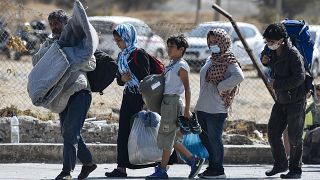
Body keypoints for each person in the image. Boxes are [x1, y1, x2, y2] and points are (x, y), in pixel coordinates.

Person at [32, 9, 97, 180]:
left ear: (66, 23)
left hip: (79, 91)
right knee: (68, 132)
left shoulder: (77, 39)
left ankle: (67, 172)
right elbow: (36, 62)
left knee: (70, 132)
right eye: (52, 24)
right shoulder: (50, 42)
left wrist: (68, 56)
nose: (54, 27)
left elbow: (91, 63)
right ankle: (89, 164)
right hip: (61, 95)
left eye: (57, 23)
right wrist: (54, 50)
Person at [146, 34, 205, 179]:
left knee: (167, 136)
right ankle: (193, 160)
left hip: (173, 102)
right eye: (168, 46)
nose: (168, 49)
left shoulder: (181, 65)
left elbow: (187, 88)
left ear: (181, 49)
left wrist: (186, 110)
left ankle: (162, 170)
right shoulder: (172, 64)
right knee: (169, 137)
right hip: (167, 102)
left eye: (172, 47)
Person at [105, 23, 156, 178]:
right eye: (116, 41)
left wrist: (147, 103)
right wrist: (122, 78)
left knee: (149, 131)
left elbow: (147, 79)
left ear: (128, 37)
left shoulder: (139, 54)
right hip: (128, 97)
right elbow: (119, 80)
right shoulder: (121, 56)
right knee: (124, 132)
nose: (118, 43)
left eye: (120, 40)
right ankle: (121, 168)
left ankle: (159, 166)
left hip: (141, 99)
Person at [194, 28, 244, 179]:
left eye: (215, 41)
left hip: (216, 108)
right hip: (202, 106)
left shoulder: (228, 60)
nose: (212, 44)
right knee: (205, 138)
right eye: (210, 41)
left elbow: (239, 76)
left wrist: (222, 87)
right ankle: (212, 167)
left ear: (223, 42)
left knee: (215, 139)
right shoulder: (212, 58)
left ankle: (219, 170)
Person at [261, 23, 306, 179]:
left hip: (296, 101)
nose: (269, 44)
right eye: (267, 41)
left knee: (294, 137)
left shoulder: (293, 54)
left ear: (281, 40)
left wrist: (277, 84)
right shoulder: (272, 50)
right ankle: (280, 164)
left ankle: (295, 170)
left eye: (272, 41)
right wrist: (264, 60)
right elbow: (264, 56)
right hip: (281, 100)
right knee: (273, 132)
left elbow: (299, 77)